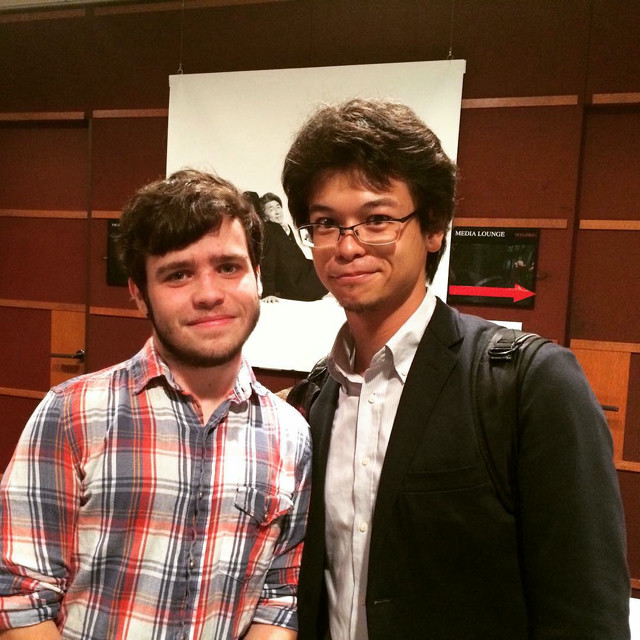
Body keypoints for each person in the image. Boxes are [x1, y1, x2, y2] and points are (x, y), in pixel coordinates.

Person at [281, 99, 630, 639]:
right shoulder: (311, 400)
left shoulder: (528, 385)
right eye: (327, 223)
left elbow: (586, 614)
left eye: (376, 220)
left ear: (435, 227)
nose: (347, 247)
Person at [0, 170, 311, 640]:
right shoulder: (71, 413)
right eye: (178, 274)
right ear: (138, 294)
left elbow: (280, 600)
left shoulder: (291, 434)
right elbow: (23, 598)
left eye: (228, 267)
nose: (209, 293)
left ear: (257, 276)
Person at [250, 192, 326, 302]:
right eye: (271, 209)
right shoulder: (269, 230)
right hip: (297, 284)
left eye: (278, 207)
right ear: (265, 215)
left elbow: (295, 256)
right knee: (332, 266)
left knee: (328, 263)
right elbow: (268, 260)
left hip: (300, 277)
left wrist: (288, 232)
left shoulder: (280, 228)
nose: (277, 212)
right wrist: (269, 292)